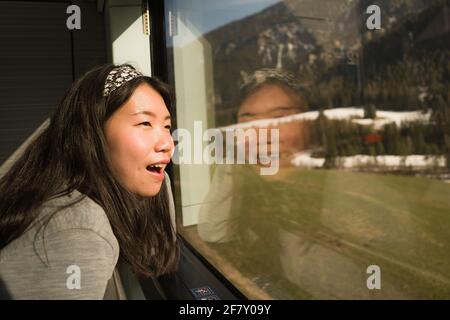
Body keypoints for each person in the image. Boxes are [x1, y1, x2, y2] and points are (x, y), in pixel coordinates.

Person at [0, 64, 179, 299]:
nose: (167, 143)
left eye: (166, 126)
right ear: (92, 134)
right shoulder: (75, 232)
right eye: (144, 123)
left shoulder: (144, 188)